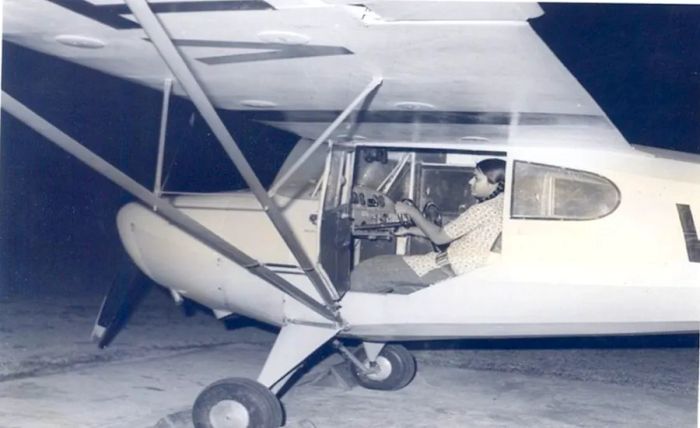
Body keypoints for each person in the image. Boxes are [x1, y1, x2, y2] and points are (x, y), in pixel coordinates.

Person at [350, 158, 506, 294]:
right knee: (397, 289)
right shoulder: (500, 207)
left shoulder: (484, 209)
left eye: (477, 178)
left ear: (495, 183)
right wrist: (409, 230)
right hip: (457, 271)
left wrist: (411, 211)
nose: (470, 182)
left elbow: (439, 237)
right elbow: (452, 234)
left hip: (448, 270)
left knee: (368, 270)